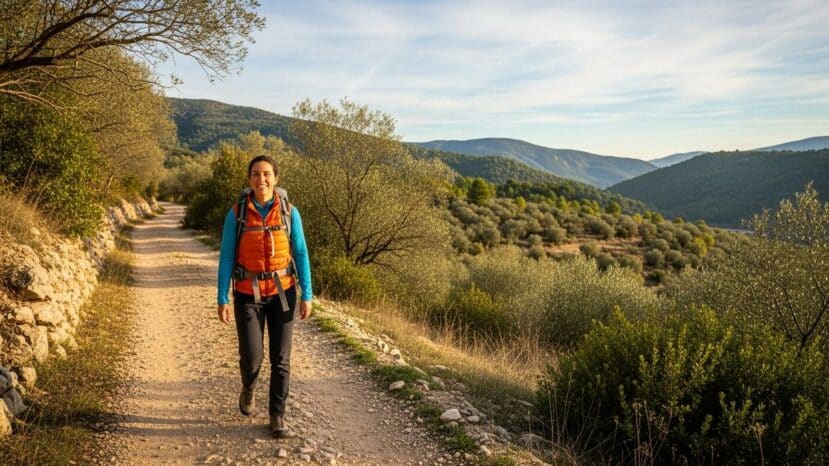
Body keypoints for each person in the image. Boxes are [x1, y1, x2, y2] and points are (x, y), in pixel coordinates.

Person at [216, 155, 313, 439]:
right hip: (247, 294)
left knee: (281, 358)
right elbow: (225, 257)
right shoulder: (237, 213)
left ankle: (277, 415)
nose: (262, 179)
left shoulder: (289, 212)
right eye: (256, 174)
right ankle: (248, 386)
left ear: (276, 178)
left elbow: (301, 253)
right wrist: (222, 297)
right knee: (252, 358)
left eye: (267, 174)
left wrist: (307, 293)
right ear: (249, 179)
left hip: (283, 293)